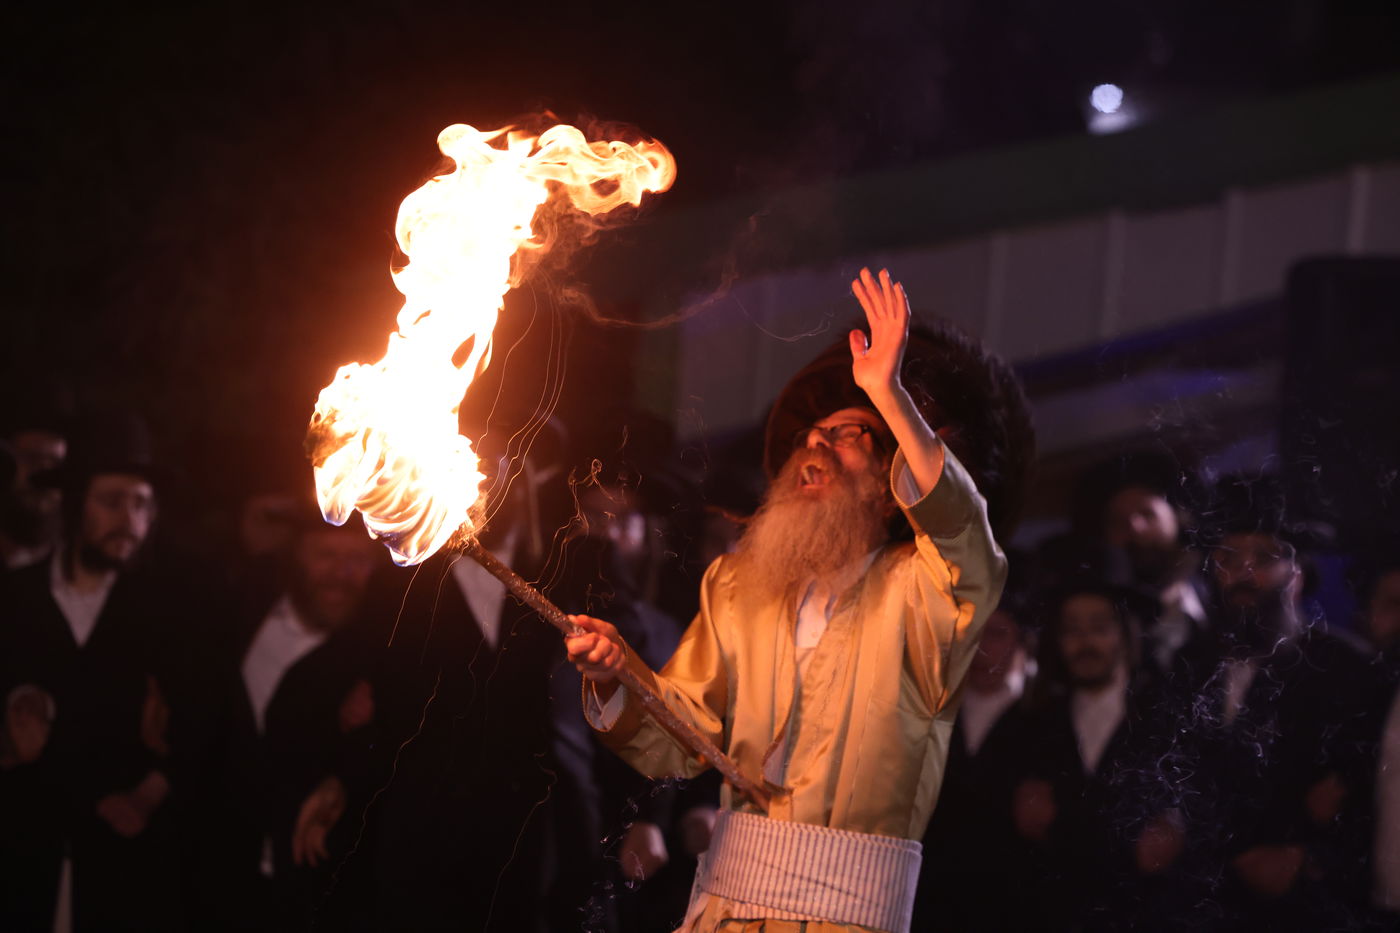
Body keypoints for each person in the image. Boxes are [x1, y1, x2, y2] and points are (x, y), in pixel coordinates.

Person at [568, 268, 1034, 932]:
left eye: (848, 435)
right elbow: (678, 739)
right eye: (808, 438)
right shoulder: (735, 586)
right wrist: (616, 677)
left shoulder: (926, 594)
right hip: (723, 912)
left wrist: (889, 395)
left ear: (888, 486)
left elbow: (966, 537)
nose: (815, 441)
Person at [0, 413, 183, 932]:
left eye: (142, 503)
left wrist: (149, 792)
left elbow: (204, 722)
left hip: (124, 868)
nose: (129, 518)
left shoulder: (174, 611)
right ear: (75, 501)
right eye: (111, 501)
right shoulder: (13, 597)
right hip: (21, 858)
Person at [192, 508, 383, 932]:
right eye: (326, 556)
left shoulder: (381, 654)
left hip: (314, 883)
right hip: (220, 869)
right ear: (296, 557)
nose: (341, 574)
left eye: (357, 560)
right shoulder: (238, 612)